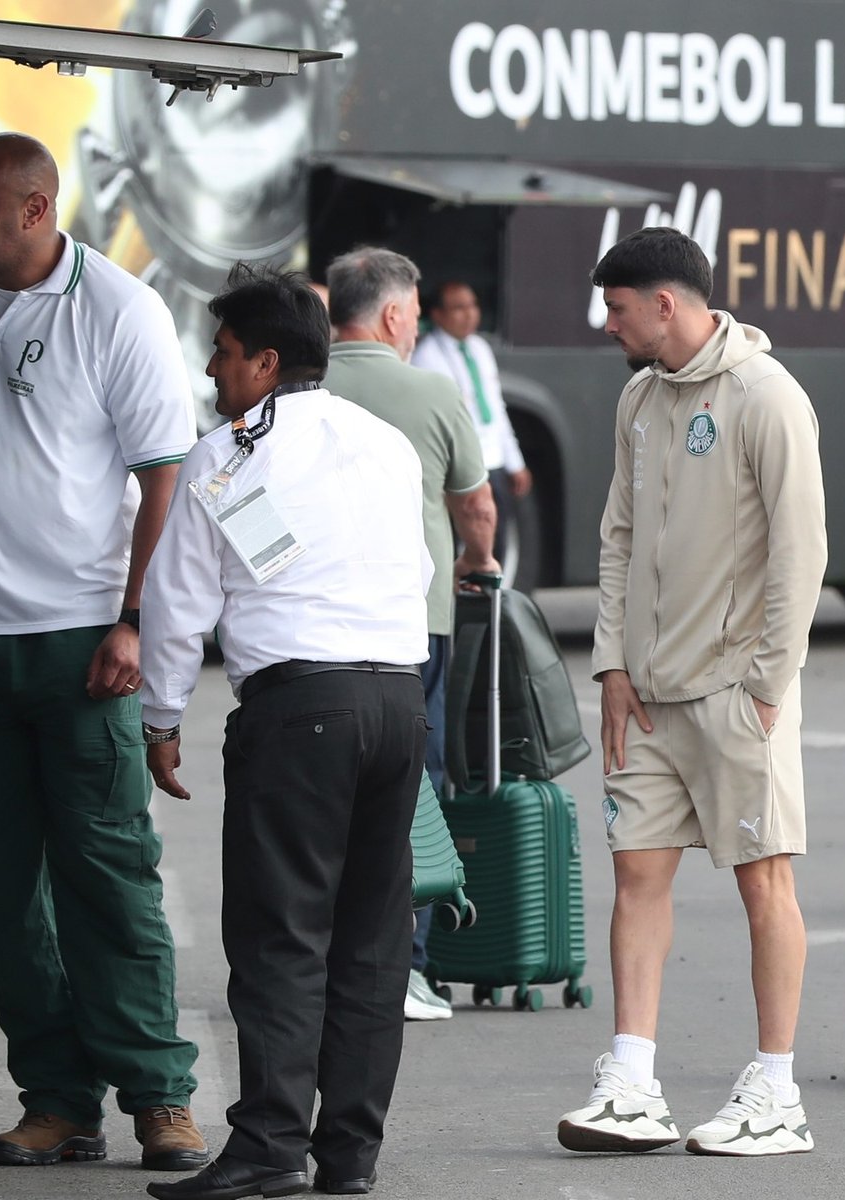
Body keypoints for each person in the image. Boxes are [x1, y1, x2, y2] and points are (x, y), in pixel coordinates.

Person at [139, 265, 432, 1200]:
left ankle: (268, 1146)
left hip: (300, 708)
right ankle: (348, 1155)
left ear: (266, 362)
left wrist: (160, 717)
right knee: (371, 943)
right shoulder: (385, 443)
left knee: (280, 936)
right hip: (398, 702)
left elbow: (178, 601)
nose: (212, 372)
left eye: (223, 354)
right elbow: (419, 565)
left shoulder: (226, 456)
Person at [0, 131, 207, 1172]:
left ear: (34, 209)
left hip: (82, 644)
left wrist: (136, 618)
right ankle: (58, 1101)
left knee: (108, 877)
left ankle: (159, 1097)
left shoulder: (117, 309)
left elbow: (167, 481)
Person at [557, 226, 827, 1156]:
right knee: (637, 875)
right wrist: (612, 664)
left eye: (617, 308)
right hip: (647, 695)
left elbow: (801, 549)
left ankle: (777, 1092)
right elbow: (619, 537)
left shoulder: (766, 395)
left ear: (664, 305)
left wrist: (768, 684)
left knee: (764, 882)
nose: (608, 324)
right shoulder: (638, 398)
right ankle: (632, 1083)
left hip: (735, 693)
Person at [325, 247, 498, 1022]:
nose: (419, 325)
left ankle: (320, 963)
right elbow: (476, 505)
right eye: (417, 313)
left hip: (312, 631)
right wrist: (476, 561)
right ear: (393, 314)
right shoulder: (431, 390)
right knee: (412, 792)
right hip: (412, 625)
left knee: (319, 796)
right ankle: (404, 966)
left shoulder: (298, 383)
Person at [411, 280, 533, 566]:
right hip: (460, 464)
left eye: (473, 306)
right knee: (458, 539)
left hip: (492, 460)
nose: (469, 314)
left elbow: (495, 408)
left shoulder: (479, 348)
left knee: (497, 536)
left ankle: (493, 590)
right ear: (437, 315)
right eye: (459, 308)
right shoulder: (426, 356)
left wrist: (514, 461)